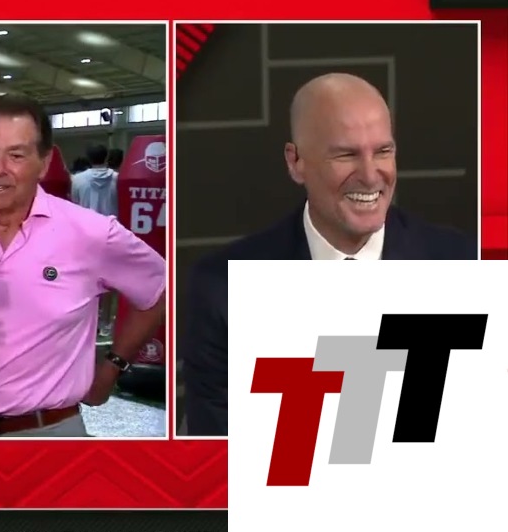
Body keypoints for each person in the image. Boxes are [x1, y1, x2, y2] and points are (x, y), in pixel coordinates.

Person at [182, 73, 477, 437]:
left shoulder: (462, 265)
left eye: (383, 152)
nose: (370, 176)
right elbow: (217, 450)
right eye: (346, 154)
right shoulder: (222, 287)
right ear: (296, 162)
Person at [0, 94, 166, 437]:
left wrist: (114, 365)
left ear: (44, 162)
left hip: (48, 431)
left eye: (16, 155)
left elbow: (161, 289)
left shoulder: (92, 233)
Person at [71, 145, 120, 337]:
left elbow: (74, 205)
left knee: (86, 282)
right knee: (110, 281)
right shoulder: (118, 179)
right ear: (107, 157)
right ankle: (106, 323)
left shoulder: (76, 180)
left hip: (85, 235)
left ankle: (89, 322)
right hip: (112, 234)